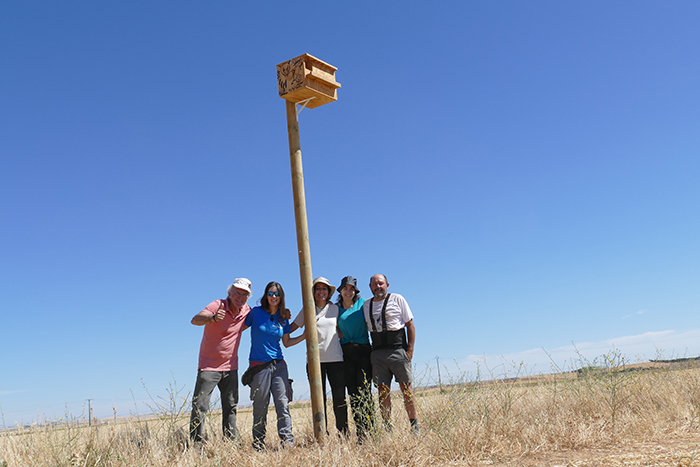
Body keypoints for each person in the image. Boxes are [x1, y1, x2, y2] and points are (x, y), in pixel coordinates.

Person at [189, 278, 252, 443]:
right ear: (229, 293)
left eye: (245, 294)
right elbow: (195, 320)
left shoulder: (246, 311)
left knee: (230, 406)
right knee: (199, 406)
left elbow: (259, 318)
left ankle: (230, 441)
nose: (240, 296)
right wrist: (213, 318)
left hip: (231, 367)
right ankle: (196, 444)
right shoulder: (217, 305)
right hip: (208, 367)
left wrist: (283, 314)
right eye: (237, 292)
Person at [245, 281, 304, 450]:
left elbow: (286, 342)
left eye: (277, 294)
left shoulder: (283, 318)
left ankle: (287, 443)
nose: (273, 297)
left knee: (282, 404)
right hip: (259, 366)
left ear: (281, 297)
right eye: (270, 293)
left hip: (279, 365)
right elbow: (238, 328)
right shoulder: (256, 313)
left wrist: (304, 336)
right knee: (260, 406)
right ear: (265, 295)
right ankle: (258, 444)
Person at [290, 277, 348, 436]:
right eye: (318, 288)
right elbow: (290, 328)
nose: (321, 291)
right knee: (319, 400)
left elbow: (342, 329)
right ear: (313, 292)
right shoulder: (307, 310)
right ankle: (322, 434)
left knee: (339, 398)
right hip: (315, 362)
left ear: (329, 292)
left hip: (336, 359)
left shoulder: (335, 309)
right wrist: (281, 316)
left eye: (324, 288)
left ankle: (344, 432)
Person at [363, 274, 418, 435]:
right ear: (370, 287)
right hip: (378, 352)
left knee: (406, 389)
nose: (378, 286)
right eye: (374, 284)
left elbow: (410, 325)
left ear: (387, 284)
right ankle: (388, 429)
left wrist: (410, 350)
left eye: (381, 283)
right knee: (382, 392)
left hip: (398, 349)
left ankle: (414, 427)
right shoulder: (366, 305)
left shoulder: (398, 299)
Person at [336, 275, 375, 441]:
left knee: (365, 391)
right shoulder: (336, 308)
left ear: (355, 291)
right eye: (345, 288)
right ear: (340, 290)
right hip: (345, 352)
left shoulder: (363, 304)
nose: (348, 291)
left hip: (364, 351)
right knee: (352, 393)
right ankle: (360, 433)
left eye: (351, 289)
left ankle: (371, 431)